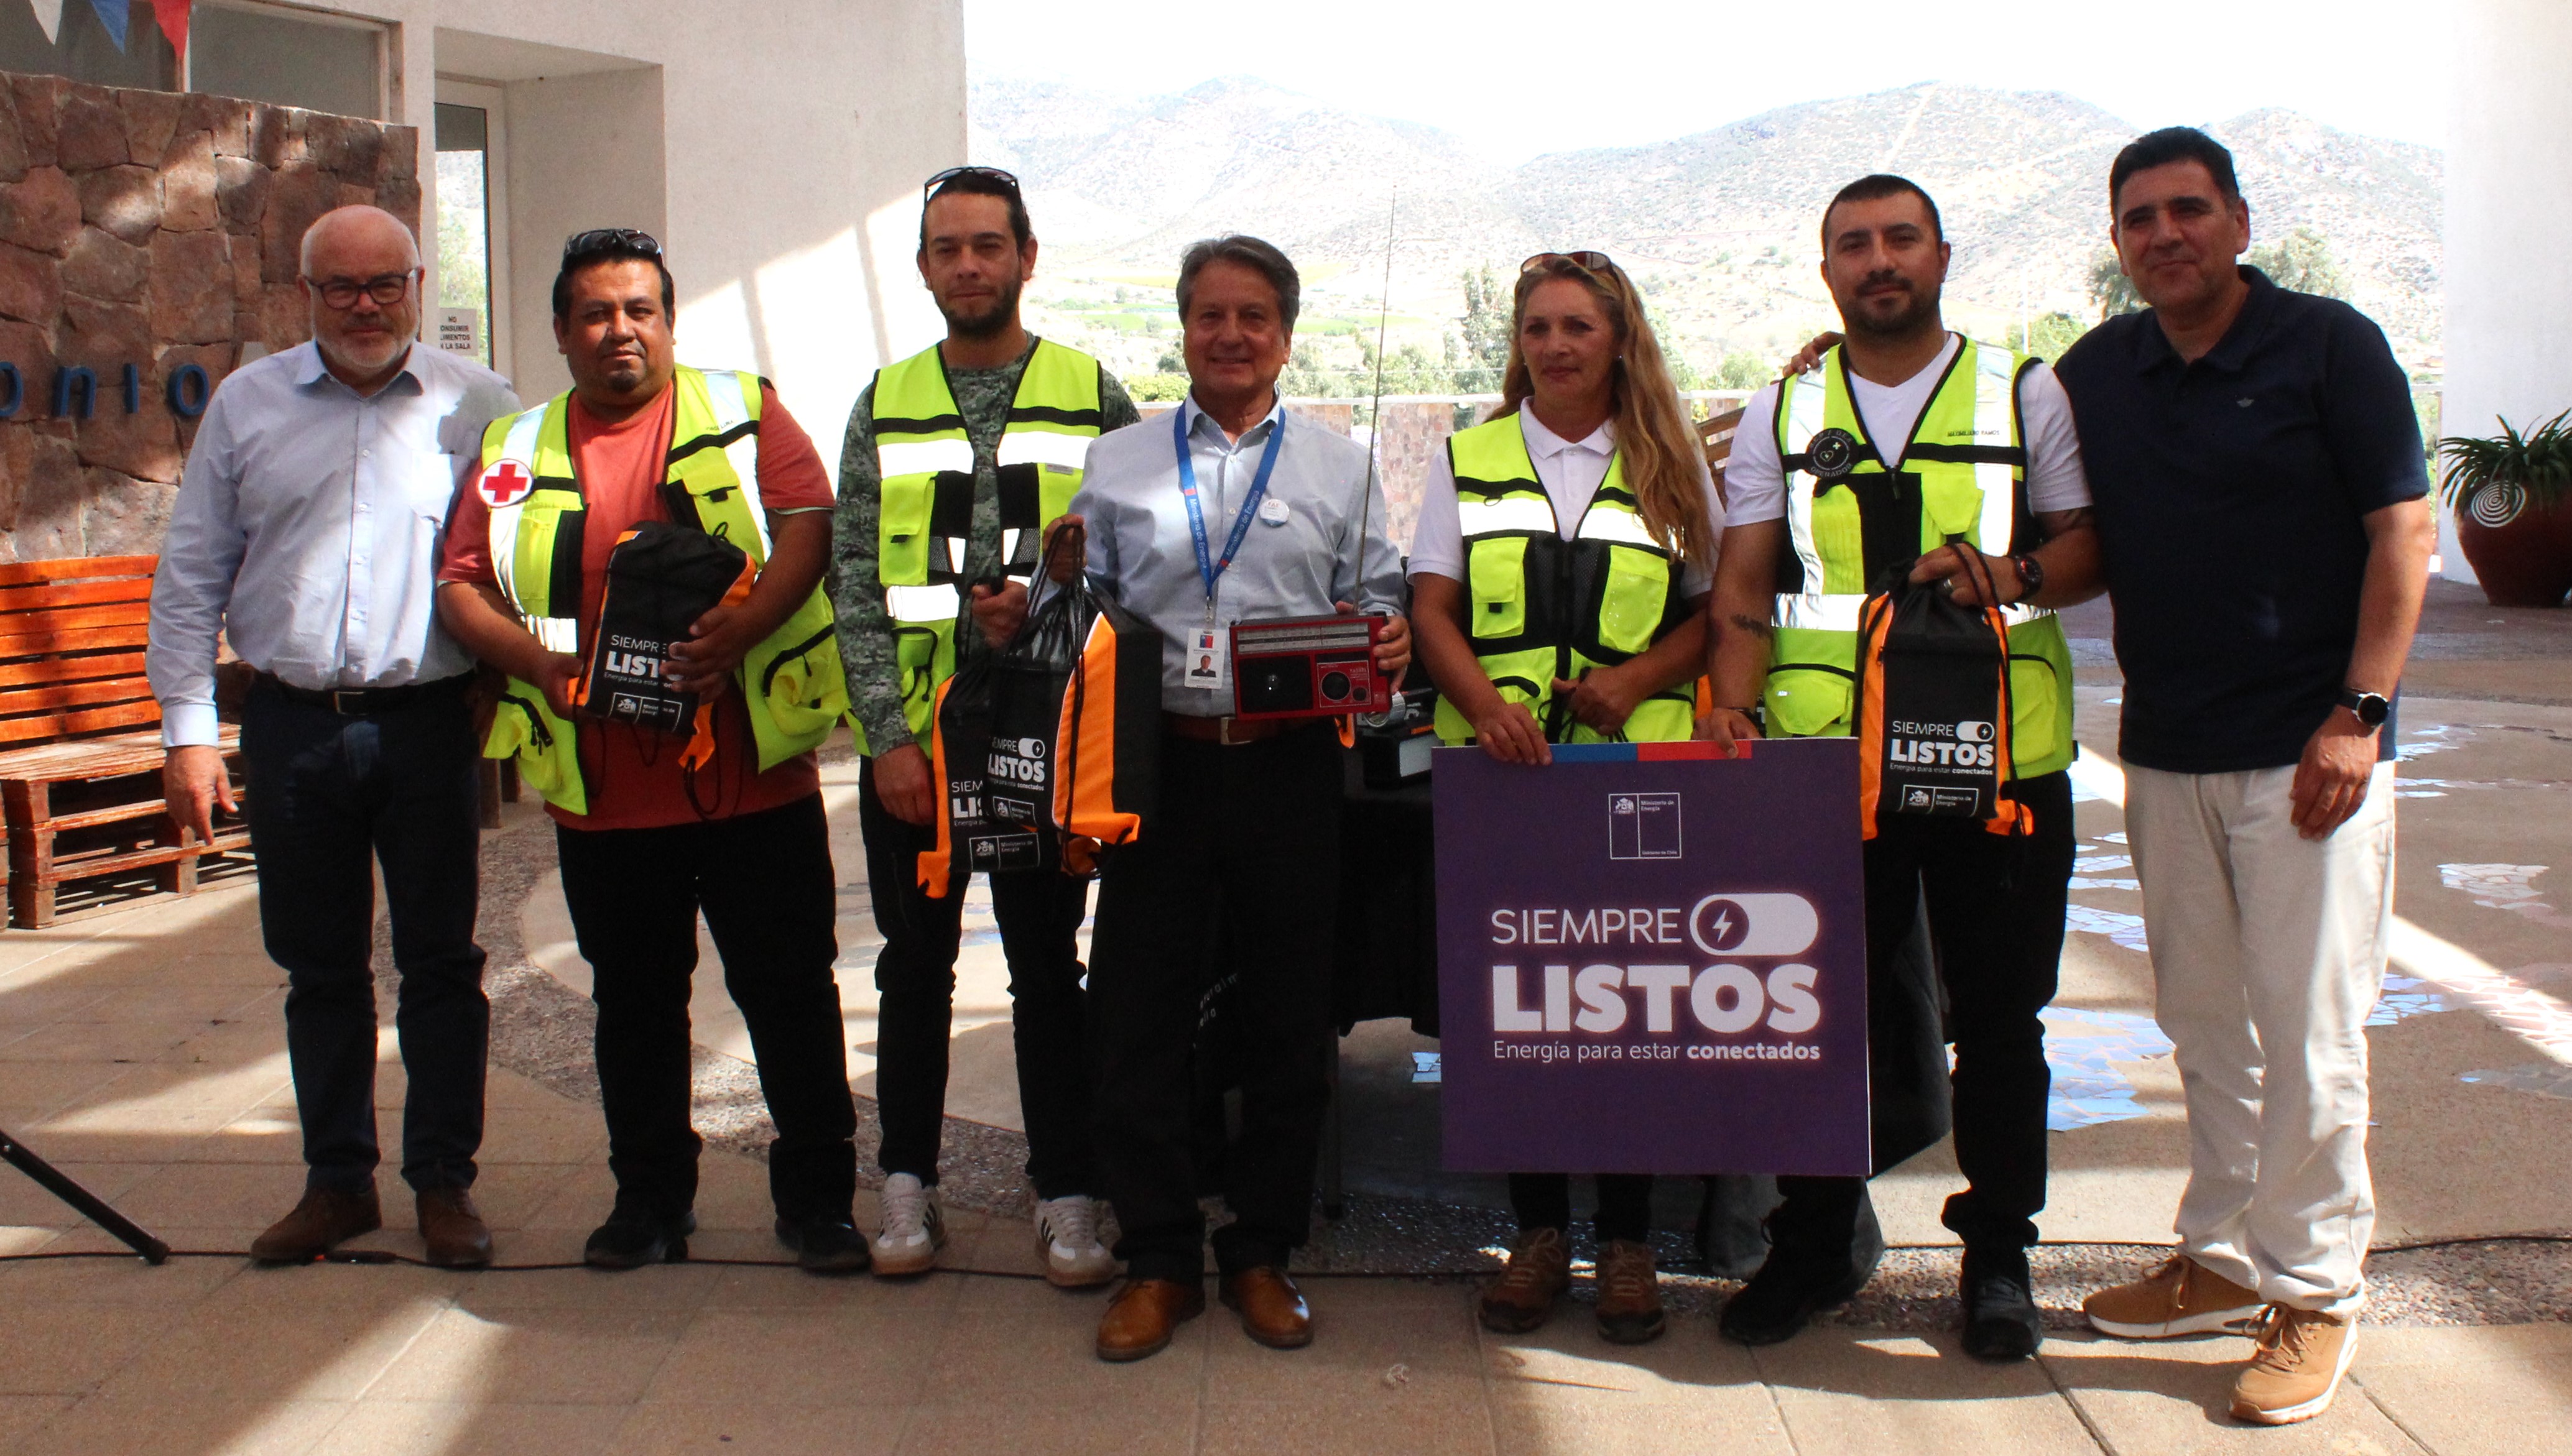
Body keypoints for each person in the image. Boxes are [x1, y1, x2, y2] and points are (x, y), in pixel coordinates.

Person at [2056, 127, 2434, 1427]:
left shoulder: (2329, 345)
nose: (2163, 235)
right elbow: (2074, 544)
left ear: (2236, 222)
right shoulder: (2097, 372)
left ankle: (2316, 1291)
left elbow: (2404, 529)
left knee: (2312, 1036)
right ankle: (2219, 1257)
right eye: (2138, 219)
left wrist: (2359, 713)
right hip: (2163, 753)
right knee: (2205, 1025)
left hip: (2307, 757)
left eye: (2187, 210)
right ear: (2116, 244)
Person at [1700, 175, 2101, 1360]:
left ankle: (1998, 1256)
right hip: (1827, 764)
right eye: (1854, 245)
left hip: (2001, 760)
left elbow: (2083, 547)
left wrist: (2017, 574)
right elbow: (1743, 580)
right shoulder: (1785, 408)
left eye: (1901, 241)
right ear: (1826, 269)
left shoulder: (2026, 390)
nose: (1880, 261)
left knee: (2002, 1020)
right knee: (1814, 1015)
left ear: (1941, 256)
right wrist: (1729, 707)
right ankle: (1815, 1240)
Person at [437, 229, 866, 1274]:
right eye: (595, 312)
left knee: (790, 992)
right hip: (605, 790)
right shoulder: (513, 449)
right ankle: (650, 1200)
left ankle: (818, 1200)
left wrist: (744, 627)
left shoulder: (745, 411)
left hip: (754, 777)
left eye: (639, 309)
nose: (618, 329)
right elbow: (459, 584)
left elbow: (812, 523)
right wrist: (538, 668)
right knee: (632, 1003)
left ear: (669, 320)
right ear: (560, 331)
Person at [148, 206, 517, 1269]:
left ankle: (444, 1182)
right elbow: (192, 576)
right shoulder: (248, 404)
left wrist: (506, 682)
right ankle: (337, 1181)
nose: (365, 305)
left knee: (443, 962)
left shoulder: (479, 403)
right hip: (294, 724)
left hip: (427, 726)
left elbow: (524, 557)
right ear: (303, 295)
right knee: (320, 969)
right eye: (339, 287)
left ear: (415, 282)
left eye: (384, 284)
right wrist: (188, 735)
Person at [1063, 234, 1408, 1361]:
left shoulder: (1341, 467)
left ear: (1286, 334)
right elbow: (1088, 612)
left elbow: (1376, 600)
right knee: (1136, 1016)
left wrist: (1390, 636)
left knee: (1289, 1014)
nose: (1230, 334)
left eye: (1253, 315)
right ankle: (1159, 1257)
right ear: (1183, 326)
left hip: (1290, 766)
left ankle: (1262, 1250)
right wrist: (1046, 597)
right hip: (1158, 768)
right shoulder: (1116, 462)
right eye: (1210, 314)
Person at [831, 165, 1141, 1283]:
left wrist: (1048, 610)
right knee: (912, 972)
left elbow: (1128, 567)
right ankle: (906, 1187)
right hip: (919, 747)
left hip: (1042, 751)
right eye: (947, 248)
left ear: (1025, 257)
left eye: (988, 245)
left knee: (1047, 967)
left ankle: (1068, 1190)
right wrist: (886, 739)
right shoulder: (885, 401)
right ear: (924, 267)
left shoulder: (1093, 394)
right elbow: (855, 582)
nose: (968, 265)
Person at [1408, 250, 1721, 1345]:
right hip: (1502, 778)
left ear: (1618, 338)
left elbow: (1712, 613)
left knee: (1630, 1008)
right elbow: (1432, 607)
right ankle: (1539, 1233)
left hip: (1632, 779)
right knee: (1521, 1011)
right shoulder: (1471, 456)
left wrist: (1635, 682)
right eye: (1536, 327)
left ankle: (1628, 1239)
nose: (1554, 344)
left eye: (1576, 325)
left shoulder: (1672, 464)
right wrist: (1488, 702)